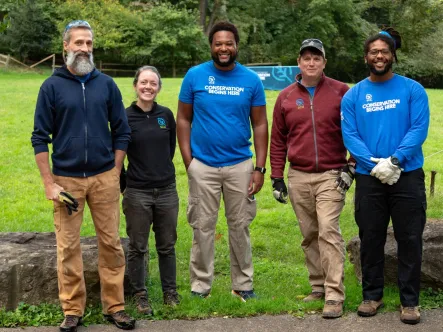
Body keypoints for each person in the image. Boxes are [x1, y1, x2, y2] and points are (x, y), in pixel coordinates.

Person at [31, 20, 135, 332]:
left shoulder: (106, 85)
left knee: (111, 243)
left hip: (104, 177)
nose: (84, 49)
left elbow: (122, 131)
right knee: (68, 246)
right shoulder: (51, 86)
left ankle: (115, 306)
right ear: (65, 46)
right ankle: (72, 309)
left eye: (88, 43)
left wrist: (115, 171)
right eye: (78, 43)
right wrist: (49, 183)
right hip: (67, 182)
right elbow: (39, 137)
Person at [341, 28, 429, 325]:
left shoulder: (412, 89)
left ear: (393, 55)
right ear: (366, 57)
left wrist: (394, 161)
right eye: (373, 52)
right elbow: (350, 134)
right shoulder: (354, 95)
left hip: (407, 174)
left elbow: (418, 129)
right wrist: (373, 164)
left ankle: (410, 301)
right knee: (371, 237)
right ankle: (372, 295)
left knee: (409, 238)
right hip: (369, 177)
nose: (379, 56)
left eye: (384, 51)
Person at [177, 21, 268, 301]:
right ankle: (200, 286)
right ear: (211, 46)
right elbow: (183, 118)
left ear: (237, 45)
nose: (224, 48)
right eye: (219, 43)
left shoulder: (251, 80)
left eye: (229, 43)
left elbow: (261, 125)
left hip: (240, 165)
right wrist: (188, 161)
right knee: (203, 227)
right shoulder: (195, 76)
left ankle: (243, 284)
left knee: (239, 226)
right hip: (202, 165)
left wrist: (259, 168)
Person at [270, 38, 352, 318]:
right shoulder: (286, 97)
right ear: (299, 62)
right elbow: (278, 139)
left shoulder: (342, 91)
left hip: (332, 173)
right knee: (309, 234)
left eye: (317, 58)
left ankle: (333, 294)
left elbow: (357, 131)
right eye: (306, 58)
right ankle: (317, 285)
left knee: (328, 230)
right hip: (299, 175)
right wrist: (277, 176)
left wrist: (351, 166)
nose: (311, 62)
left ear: (324, 62)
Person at [121, 66, 180, 314]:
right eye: (143, 82)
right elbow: (117, 154)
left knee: (167, 245)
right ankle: (140, 294)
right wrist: (126, 184)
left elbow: (170, 148)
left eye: (153, 83)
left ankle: (170, 292)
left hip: (166, 190)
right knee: (138, 246)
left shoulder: (165, 115)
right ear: (135, 85)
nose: (148, 87)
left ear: (158, 88)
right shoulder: (124, 117)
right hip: (137, 192)